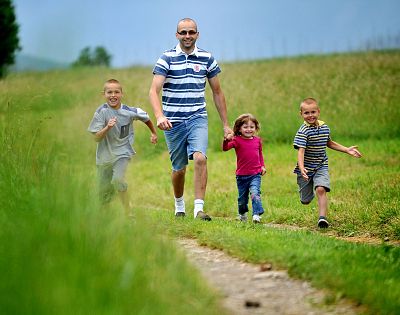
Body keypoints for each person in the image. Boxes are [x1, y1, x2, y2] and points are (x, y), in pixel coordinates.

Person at [149, 17, 233, 220]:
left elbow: (218, 92)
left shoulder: (207, 58)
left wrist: (226, 125)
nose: (188, 36)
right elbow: (154, 90)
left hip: (197, 117)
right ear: (177, 35)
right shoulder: (166, 58)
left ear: (197, 34)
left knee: (200, 158)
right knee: (179, 169)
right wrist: (159, 116)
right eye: (183, 32)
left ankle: (198, 209)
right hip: (173, 122)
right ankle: (179, 205)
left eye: (191, 32)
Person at [88, 79, 158, 214]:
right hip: (104, 157)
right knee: (103, 192)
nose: (113, 95)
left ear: (121, 94)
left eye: (116, 92)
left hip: (123, 153)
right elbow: (96, 137)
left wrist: (153, 133)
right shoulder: (101, 112)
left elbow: (146, 118)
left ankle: (128, 212)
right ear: (104, 94)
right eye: (109, 92)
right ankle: (105, 217)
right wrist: (107, 127)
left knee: (118, 179)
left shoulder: (129, 111)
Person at [293, 97, 362, 228]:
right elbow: (300, 152)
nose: (310, 115)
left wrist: (347, 150)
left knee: (320, 189)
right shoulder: (303, 131)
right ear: (301, 114)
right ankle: (307, 192)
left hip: (321, 165)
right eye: (306, 113)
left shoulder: (324, 127)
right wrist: (302, 168)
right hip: (306, 169)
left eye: (313, 112)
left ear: (318, 111)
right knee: (305, 200)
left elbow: (329, 143)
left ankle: (322, 218)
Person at [223, 114, 266, 223]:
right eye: (245, 127)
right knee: (242, 199)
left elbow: (260, 154)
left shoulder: (257, 140)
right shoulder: (237, 140)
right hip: (241, 176)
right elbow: (225, 148)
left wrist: (262, 166)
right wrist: (226, 140)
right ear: (239, 129)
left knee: (255, 192)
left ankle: (256, 214)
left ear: (255, 128)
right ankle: (242, 214)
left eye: (252, 127)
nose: (249, 129)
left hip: (255, 174)